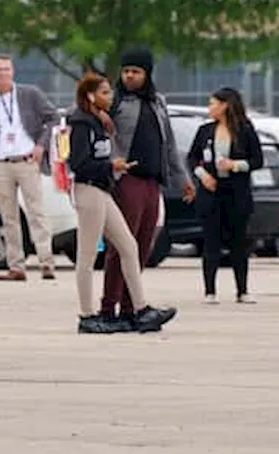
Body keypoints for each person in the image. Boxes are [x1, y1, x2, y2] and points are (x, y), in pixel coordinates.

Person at [68, 75, 177, 334]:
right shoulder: (81, 123)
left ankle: (141, 309)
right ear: (91, 96)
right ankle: (86, 315)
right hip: (88, 191)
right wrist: (110, 165)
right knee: (87, 255)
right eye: (104, 92)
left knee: (129, 246)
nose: (110, 96)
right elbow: (78, 163)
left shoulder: (98, 122)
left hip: (104, 191)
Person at [102, 48, 195, 331]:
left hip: (151, 182)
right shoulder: (114, 102)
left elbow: (168, 146)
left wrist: (183, 180)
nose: (129, 76)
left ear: (147, 74)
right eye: (126, 71)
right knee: (121, 246)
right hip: (126, 180)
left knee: (143, 245)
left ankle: (133, 308)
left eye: (136, 71)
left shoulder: (157, 102)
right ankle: (109, 307)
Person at [0, 54, 57, 281]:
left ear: (13, 72)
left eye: (7, 69)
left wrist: (41, 145)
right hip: (1, 163)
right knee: (8, 216)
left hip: (26, 160)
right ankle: (16, 265)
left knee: (36, 212)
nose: (3, 73)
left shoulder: (29, 94)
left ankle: (46, 261)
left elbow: (52, 118)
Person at [187, 87, 264, 304]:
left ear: (225, 105)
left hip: (236, 192)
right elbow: (192, 158)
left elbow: (257, 160)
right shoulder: (205, 131)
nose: (209, 108)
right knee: (210, 241)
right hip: (211, 191)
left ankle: (242, 290)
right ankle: (209, 290)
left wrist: (236, 165)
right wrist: (202, 175)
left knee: (239, 242)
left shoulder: (245, 130)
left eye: (213, 103)